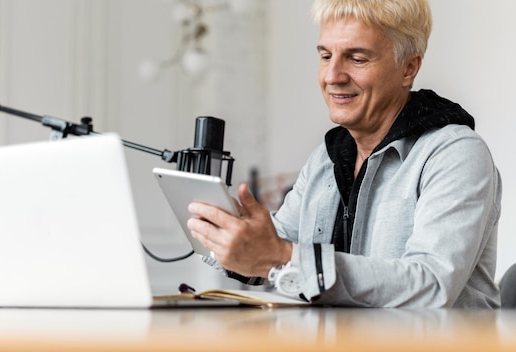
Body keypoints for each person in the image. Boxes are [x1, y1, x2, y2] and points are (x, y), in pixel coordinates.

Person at [186, 0, 502, 308]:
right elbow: (273, 249)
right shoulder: (326, 159)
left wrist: (282, 256)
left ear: (408, 68)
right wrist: (234, 236)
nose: (332, 76)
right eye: (326, 56)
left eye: (357, 59)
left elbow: (433, 285)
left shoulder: (455, 154)